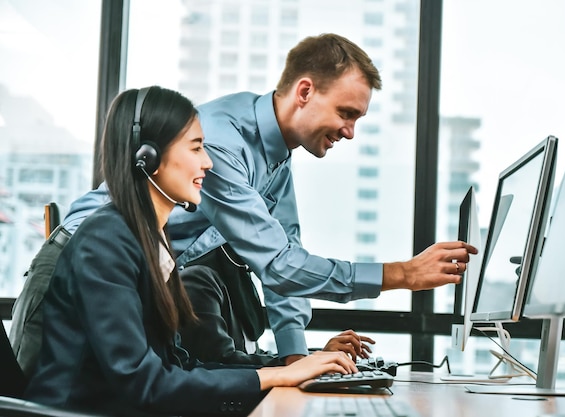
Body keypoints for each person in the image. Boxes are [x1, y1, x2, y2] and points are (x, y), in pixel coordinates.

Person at [20, 33, 476, 369]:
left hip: (137, 278)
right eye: (346, 112)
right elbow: (278, 265)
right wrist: (401, 275)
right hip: (81, 270)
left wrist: (300, 362)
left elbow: (281, 267)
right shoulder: (221, 143)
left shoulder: (275, 160)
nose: (350, 131)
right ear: (304, 92)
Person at [23, 86, 357, 416]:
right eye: (196, 148)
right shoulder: (106, 241)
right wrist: (276, 375)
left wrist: (286, 369)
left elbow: (179, 365)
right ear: (148, 157)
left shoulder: (153, 239)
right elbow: (145, 384)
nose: (209, 163)